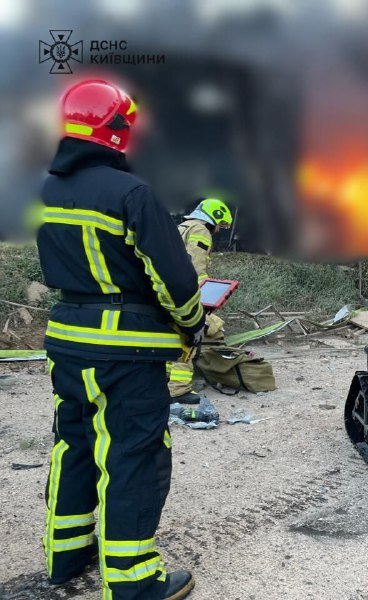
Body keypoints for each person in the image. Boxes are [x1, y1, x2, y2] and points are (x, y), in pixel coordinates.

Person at [37, 79, 202, 599]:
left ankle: (66, 554)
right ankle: (133, 583)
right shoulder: (131, 194)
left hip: (66, 341)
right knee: (133, 453)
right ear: (117, 129)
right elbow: (173, 280)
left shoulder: (48, 191)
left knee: (76, 443)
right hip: (124, 352)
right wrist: (193, 322)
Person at [168, 198, 232, 403]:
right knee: (189, 338)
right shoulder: (200, 230)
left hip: (165, 292)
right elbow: (196, 269)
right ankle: (179, 390)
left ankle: (167, 381)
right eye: (220, 226)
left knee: (169, 340)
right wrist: (206, 298)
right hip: (185, 295)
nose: (219, 231)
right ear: (215, 218)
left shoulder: (180, 227)